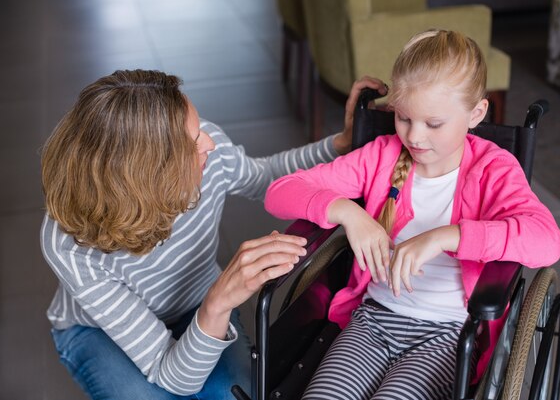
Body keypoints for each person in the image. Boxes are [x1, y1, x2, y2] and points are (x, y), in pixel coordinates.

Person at [40, 69, 387, 400]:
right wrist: (220, 300)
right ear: (150, 174)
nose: (208, 140)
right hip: (96, 332)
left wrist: (340, 143)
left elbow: (265, 175)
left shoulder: (210, 151)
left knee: (232, 394)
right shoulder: (69, 245)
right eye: (193, 139)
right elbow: (169, 373)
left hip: (194, 303)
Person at [264, 30, 560, 400]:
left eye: (433, 123)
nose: (415, 137)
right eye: (404, 118)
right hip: (372, 320)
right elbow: (279, 192)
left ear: (476, 113)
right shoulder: (382, 156)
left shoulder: (493, 169)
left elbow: (547, 242)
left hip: (446, 334)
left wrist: (446, 236)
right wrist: (347, 213)